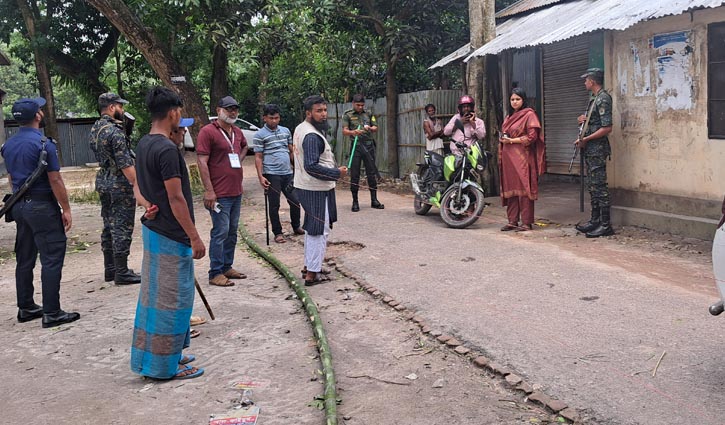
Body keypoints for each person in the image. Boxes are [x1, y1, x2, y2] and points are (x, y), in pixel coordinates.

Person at [131, 86, 205, 380]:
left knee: (155, 299)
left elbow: (141, 186)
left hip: (154, 230)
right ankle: (164, 366)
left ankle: (169, 353)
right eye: (180, 113)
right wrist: (194, 236)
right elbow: (176, 199)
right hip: (171, 235)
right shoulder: (165, 150)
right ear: (173, 113)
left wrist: (148, 203)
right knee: (172, 301)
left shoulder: (144, 144)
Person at [1, 97, 80, 327]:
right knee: (52, 256)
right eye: (41, 110)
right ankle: (52, 312)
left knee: (24, 256)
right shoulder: (45, 144)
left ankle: (25, 306)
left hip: (19, 206)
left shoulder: (8, 145)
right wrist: (66, 208)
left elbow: (11, 178)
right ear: (37, 116)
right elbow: (55, 179)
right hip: (42, 206)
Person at [89, 92, 148, 285]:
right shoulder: (115, 132)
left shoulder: (96, 128)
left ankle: (111, 269)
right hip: (119, 184)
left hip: (104, 181)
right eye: (120, 107)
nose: (123, 110)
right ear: (112, 107)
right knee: (122, 226)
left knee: (108, 225)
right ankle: (122, 272)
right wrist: (138, 186)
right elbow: (126, 165)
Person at [293, 95, 347, 285]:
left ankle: (310, 266)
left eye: (325, 110)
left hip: (307, 186)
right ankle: (312, 274)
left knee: (312, 228)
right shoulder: (311, 136)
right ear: (309, 113)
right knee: (318, 230)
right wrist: (336, 173)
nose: (324, 114)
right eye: (319, 111)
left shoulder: (302, 128)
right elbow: (312, 166)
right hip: (314, 188)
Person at [196, 96, 249, 287]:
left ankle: (227, 266)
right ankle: (215, 272)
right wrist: (209, 190)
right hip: (219, 193)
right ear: (219, 110)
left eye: (235, 109)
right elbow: (201, 161)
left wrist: (238, 160)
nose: (233, 112)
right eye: (228, 109)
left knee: (232, 231)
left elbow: (245, 146)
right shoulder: (208, 132)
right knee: (220, 231)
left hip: (236, 191)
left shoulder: (237, 132)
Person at [253, 103, 304, 244]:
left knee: (295, 201)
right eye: (271, 118)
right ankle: (278, 232)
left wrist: (298, 167)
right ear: (264, 118)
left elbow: (291, 150)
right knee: (274, 205)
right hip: (271, 174)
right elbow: (258, 156)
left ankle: (296, 226)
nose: (274, 121)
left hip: (287, 173)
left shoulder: (286, 131)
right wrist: (260, 176)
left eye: (276, 118)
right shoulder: (259, 135)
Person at [573, 68, 614, 238]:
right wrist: (581, 119)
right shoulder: (594, 99)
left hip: (597, 149)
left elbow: (607, 128)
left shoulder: (603, 99)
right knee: (592, 185)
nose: (585, 83)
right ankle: (595, 220)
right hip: (590, 149)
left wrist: (587, 139)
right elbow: (592, 121)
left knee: (599, 186)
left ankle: (605, 225)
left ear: (593, 81)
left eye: (586, 80)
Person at [498, 88, 546, 232]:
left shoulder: (529, 115)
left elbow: (532, 137)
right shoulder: (508, 117)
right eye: (512, 99)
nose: (514, 102)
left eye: (517, 99)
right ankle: (512, 221)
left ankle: (526, 222)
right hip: (508, 158)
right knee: (510, 188)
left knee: (525, 189)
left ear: (523, 100)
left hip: (523, 157)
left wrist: (512, 140)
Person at [342, 93, 384, 212]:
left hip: (369, 145)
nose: (360, 107)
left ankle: (374, 200)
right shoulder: (348, 115)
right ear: (353, 104)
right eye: (358, 105)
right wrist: (353, 132)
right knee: (355, 174)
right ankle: (355, 201)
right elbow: (344, 131)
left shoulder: (368, 113)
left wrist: (370, 128)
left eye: (362, 105)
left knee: (371, 173)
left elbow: (375, 127)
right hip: (356, 146)